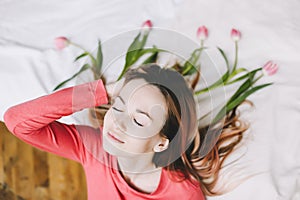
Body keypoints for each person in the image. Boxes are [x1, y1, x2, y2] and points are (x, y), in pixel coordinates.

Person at [4, 64, 248, 199]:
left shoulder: (183, 193)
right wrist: (103, 91)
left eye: (139, 121)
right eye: (118, 106)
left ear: (161, 143)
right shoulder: (93, 148)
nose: (118, 123)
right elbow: (16, 121)